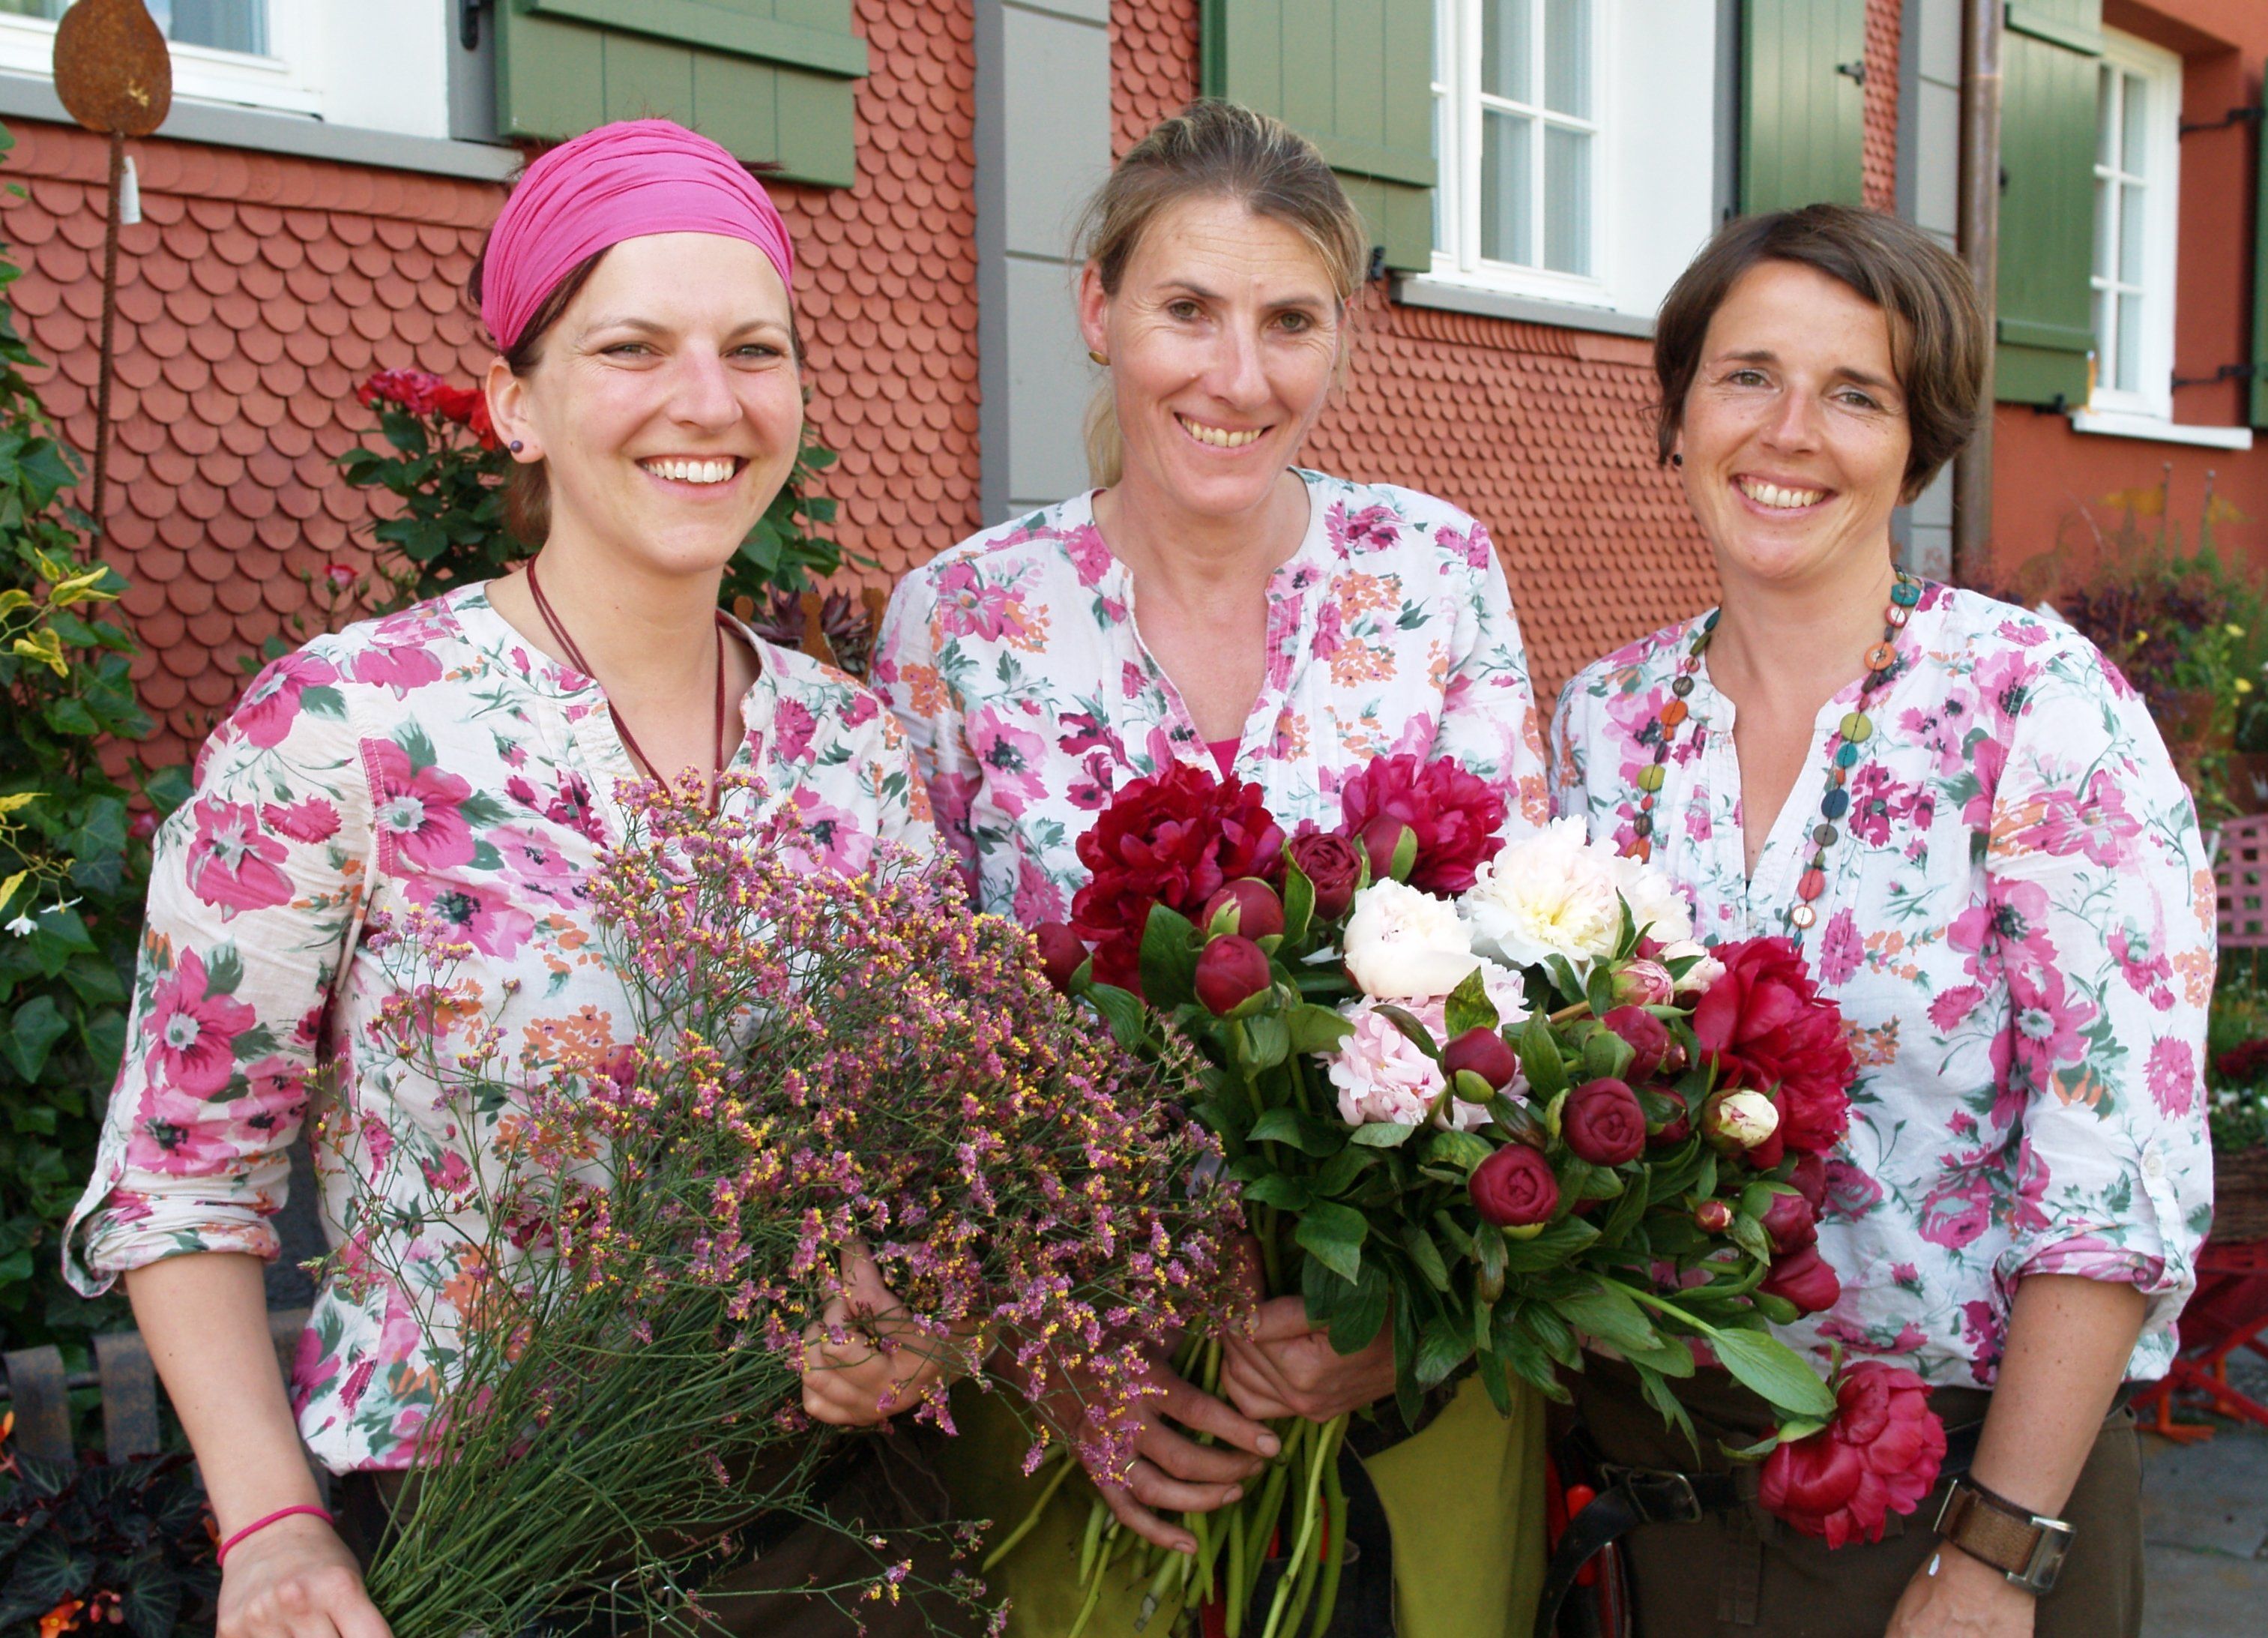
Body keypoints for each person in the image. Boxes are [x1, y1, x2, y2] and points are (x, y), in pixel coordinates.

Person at [64, 120, 957, 1638]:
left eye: (754, 350)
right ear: (514, 405)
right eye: (631, 347)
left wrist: (902, 1299)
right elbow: (181, 1175)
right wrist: (275, 1530)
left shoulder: (852, 750)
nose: (708, 400)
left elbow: (912, 1139)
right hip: (477, 1540)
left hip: (834, 1539)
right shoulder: (347, 724)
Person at [875, 100, 1552, 1637]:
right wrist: (1057, 1357)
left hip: (1391, 1373)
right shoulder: (962, 619)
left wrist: (1404, 1299)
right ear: (1097, 309)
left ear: (1341, 336)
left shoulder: (1434, 574)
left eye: (1288, 321)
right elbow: (908, 1041)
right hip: (1086, 1400)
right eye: (1187, 309)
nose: (1237, 376)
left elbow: (1528, 971)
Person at [1549, 204, 2212, 1638]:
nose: (1787, 432)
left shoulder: (2035, 706)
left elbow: (2116, 1167)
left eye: (1855, 393)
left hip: (1961, 1488)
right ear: (1677, 409)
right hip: (1662, 1494)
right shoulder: (1604, 724)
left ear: (1920, 444)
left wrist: (1992, 1555)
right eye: (1746, 375)